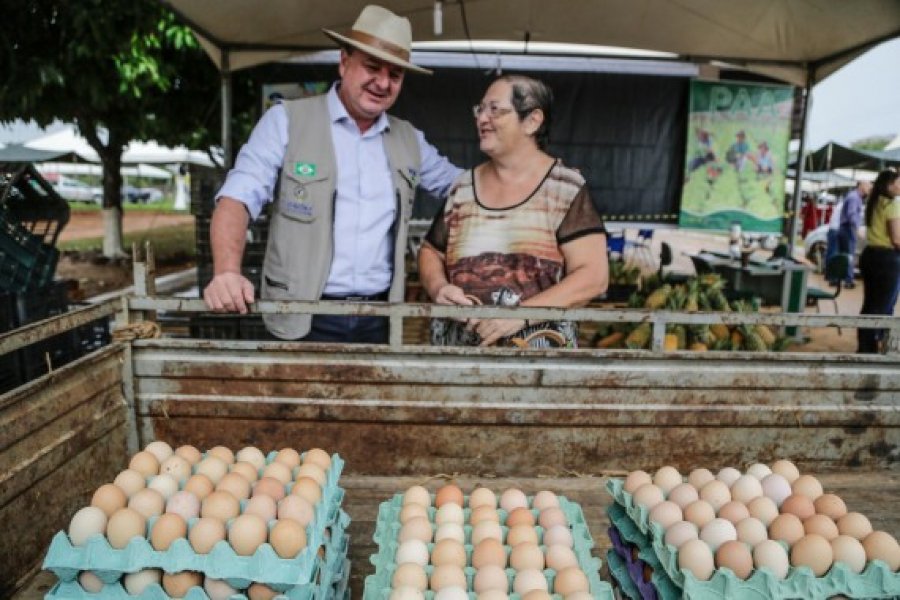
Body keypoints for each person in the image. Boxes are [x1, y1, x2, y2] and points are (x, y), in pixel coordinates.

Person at [203, 5, 461, 343]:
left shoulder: (409, 140)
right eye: (372, 67)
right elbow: (237, 198)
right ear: (344, 61)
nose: (382, 83)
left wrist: (529, 172)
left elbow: (464, 187)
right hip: (301, 314)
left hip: (381, 317)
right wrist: (225, 272)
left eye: (395, 74)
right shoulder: (287, 121)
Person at [418, 75, 609, 348]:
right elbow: (430, 251)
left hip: (537, 363)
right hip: (458, 362)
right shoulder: (462, 187)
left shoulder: (565, 189)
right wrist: (439, 287)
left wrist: (520, 316)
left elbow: (593, 277)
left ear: (532, 121)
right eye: (480, 109)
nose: (482, 119)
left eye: (495, 109)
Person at [857, 169, 900, 354]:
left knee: (870, 304)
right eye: (898, 183)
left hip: (870, 256)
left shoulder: (874, 202)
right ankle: (878, 347)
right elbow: (896, 239)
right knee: (884, 306)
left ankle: (865, 347)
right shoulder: (891, 205)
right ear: (888, 184)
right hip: (887, 259)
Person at [838, 180, 872, 288]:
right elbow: (851, 214)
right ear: (862, 186)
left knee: (844, 255)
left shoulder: (855, 197)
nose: (870, 188)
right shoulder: (854, 198)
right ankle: (849, 280)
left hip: (845, 228)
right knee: (849, 255)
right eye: (868, 186)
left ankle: (839, 279)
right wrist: (857, 229)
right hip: (848, 229)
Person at [824, 193, 844, 284]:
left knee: (830, 253)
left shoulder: (840, 205)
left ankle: (828, 275)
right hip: (836, 230)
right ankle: (832, 277)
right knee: (833, 254)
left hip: (832, 229)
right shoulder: (844, 205)